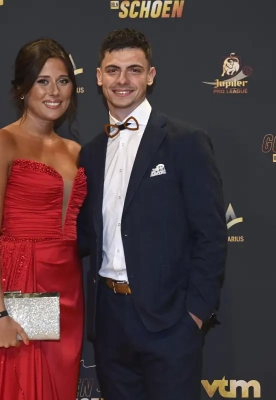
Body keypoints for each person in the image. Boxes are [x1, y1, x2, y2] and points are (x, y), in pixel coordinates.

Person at [77, 28, 228, 399]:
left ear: (150, 75)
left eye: (134, 69)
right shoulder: (90, 153)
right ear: (98, 77)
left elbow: (210, 234)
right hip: (109, 321)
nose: (122, 80)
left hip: (170, 323)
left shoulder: (185, 141)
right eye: (113, 70)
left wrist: (194, 315)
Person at [0, 38, 87, 400]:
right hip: (19, 282)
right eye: (42, 81)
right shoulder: (1, 142)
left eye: (63, 81)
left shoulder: (77, 152)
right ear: (22, 88)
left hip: (68, 287)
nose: (54, 92)